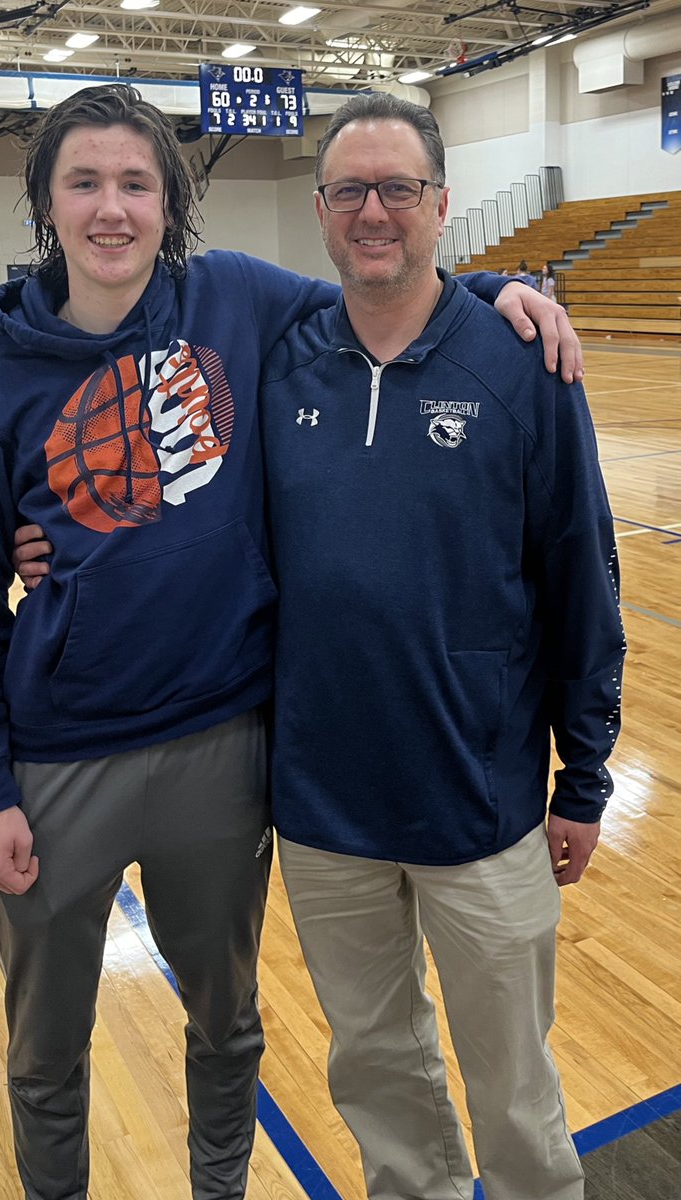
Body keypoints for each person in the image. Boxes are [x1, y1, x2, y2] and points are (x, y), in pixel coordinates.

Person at [0, 83, 582, 1200]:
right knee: (44, 1047)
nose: (112, 209)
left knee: (228, 1026)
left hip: (224, 749)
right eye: (84, 182)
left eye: (137, 183)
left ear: (171, 203)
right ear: (46, 199)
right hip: (57, 765)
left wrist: (500, 290)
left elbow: (382, 292)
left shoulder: (229, 296)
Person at [256, 93, 624, 1200]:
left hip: (484, 801)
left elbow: (581, 573)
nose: (376, 212)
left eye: (399, 189)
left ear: (442, 205)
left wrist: (587, 777)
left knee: (514, 1083)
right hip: (323, 811)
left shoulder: (523, 366)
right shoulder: (279, 365)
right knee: (375, 1070)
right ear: (320, 213)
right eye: (351, 191)